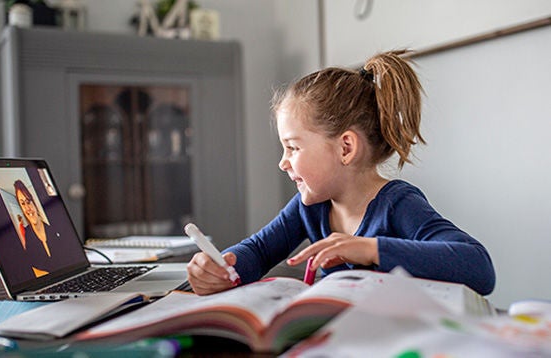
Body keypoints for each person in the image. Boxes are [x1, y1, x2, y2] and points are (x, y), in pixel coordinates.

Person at [187, 50, 496, 296]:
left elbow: (479, 268)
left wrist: (370, 249)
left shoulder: (398, 204)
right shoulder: (311, 207)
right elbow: (258, 250)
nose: (283, 162)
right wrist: (219, 268)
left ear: (346, 148)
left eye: (293, 148)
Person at [14, 179, 57, 277]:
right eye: (23, 204)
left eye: (28, 201)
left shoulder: (54, 229)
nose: (28, 208)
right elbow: (32, 269)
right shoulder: (27, 236)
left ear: (34, 203)